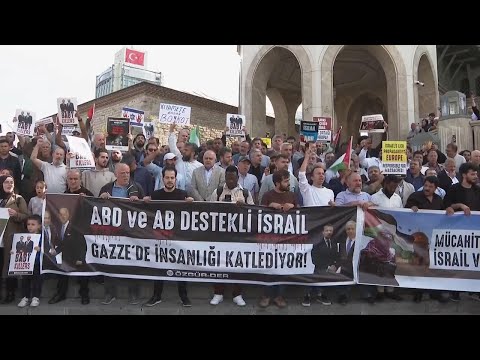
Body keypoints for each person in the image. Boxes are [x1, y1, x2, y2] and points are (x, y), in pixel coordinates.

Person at [143, 166, 194, 307]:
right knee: (159, 266)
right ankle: (156, 296)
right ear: (163, 178)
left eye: (172, 178)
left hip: (178, 239)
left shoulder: (182, 194)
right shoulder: (155, 195)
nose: (170, 180)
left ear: (176, 179)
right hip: (160, 237)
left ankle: (184, 296)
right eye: (167, 177)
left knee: (180, 266)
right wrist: (144, 200)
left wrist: (191, 201)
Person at [99, 163, 144, 305]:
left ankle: (134, 293)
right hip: (112, 232)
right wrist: (101, 198)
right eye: (123, 173)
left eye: (128, 173)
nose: (126, 175)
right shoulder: (107, 188)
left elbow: (147, 208)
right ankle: (109, 293)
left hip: (132, 233)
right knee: (110, 261)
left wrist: (140, 202)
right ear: (116, 174)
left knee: (132, 262)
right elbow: (96, 207)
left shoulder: (136, 187)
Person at [208, 166, 254, 307]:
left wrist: (243, 207)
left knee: (238, 264)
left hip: (239, 235)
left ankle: (237, 294)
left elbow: (253, 213)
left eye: (233, 178)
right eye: (228, 178)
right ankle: (218, 293)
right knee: (219, 264)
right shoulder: (218, 191)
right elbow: (208, 211)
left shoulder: (245, 193)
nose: (230, 180)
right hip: (220, 234)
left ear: (237, 178)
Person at [405, 176, 448, 303]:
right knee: (420, 265)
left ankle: (435, 292)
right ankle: (417, 292)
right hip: (419, 239)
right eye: (426, 185)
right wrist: (411, 209)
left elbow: (443, 215)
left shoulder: (438, 199)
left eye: (430, 186)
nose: (427, 188)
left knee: (433, 265)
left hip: (434, 238)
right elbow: (405, 212)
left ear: (436, 188)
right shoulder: (415, 197)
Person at [258, 170, 297, 309]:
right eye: (286, 181)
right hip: (269, 239)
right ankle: (266, 295)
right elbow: (259, 214)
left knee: (283, 268)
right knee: (268, 267)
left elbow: (303, 214)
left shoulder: (292, 195)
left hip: (287, 239)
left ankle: (279, 296)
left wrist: (293, 206)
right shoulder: (267, 196)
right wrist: (270, 207)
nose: (289, 183)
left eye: (288, 180)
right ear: (277, 183)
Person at [444, 162, 480, 302]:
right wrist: (458, 206)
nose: (475, 176)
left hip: (475, 233)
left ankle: (474, 289)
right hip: (457, 233)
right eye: (472, 174)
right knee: (458, 261)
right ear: (464, 175)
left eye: (476, 174)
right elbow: (446, 206)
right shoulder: (454, 189)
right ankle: (456, 290)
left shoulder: (478, 190)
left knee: (474, 261)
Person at [0, 175, 28, 303]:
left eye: (11, 182)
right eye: (6, 182)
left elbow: (26, 216)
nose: (9, 184)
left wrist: (16, 214)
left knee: (9, 266)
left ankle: (10, 293)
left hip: (10, 238)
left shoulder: (18, 199)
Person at [17, 215, 43, 308]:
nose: (30, 226)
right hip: (26, 263)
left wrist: (41, 249)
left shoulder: (42, 237)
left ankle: (36, 297)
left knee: (37, 280)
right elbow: (19, 248)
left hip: (37, 263)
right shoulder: (23, 237)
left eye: (33, 224)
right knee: (25, 280)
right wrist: (13, 252)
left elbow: (48, 248)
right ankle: (25, 297)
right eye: (28, 224)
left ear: (39, 226)